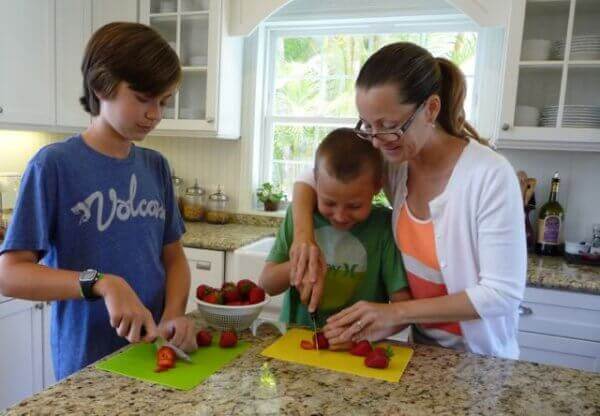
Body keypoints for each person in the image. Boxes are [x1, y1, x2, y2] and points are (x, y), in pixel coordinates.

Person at [289, 42, 526, 359]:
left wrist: (397, 313)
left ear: (430, 109)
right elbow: (312, 177)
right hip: (422, 355)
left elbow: (501, 295)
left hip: (481, 360)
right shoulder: (394, 160)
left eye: (388, 126)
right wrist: (305, 239)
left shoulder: (490, 176)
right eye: (367, 125)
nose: (376, 140)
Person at [0, 22, 197, 379]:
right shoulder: (54, 165)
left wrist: (174, 314)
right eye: (143, 98)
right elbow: (9, 273)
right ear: (100, 85)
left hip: (154, 356)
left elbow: (174, 258)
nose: (155, 113)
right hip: (88, 365)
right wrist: (102, 282)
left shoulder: (156, 167)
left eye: (163, 101)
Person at [259, 128, 411, 342]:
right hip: (296, 340)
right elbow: (267, 283)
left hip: (358, 346)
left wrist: (367, 326)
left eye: (354, 205)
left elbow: (402, 305)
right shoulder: (300, 217)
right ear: (315, 182)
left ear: (377, 187)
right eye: (329, 203)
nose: (340, 216)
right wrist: (302, 264)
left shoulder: (384, 227)